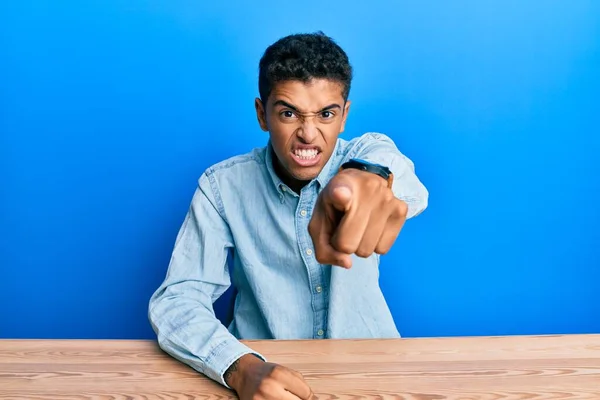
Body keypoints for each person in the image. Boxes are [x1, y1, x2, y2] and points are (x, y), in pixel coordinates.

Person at [148, 31, 428, 400]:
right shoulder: (222, 187)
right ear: (262, 114)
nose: (308, 135)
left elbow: (395, 168)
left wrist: (370, 176)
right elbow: (178, 300)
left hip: (371, 374)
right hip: (266, 374)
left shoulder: (362, 158)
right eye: (288, 113)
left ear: (344, 116)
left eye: (326, 114)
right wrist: (240, 367)